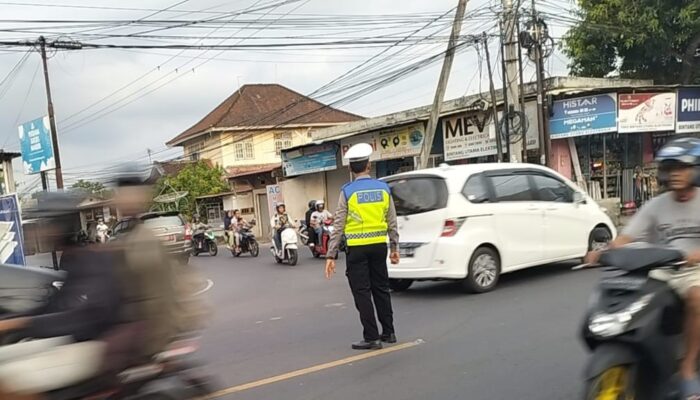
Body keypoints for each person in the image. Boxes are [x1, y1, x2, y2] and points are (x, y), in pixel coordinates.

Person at [586, 137, 700, 400]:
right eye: (671, 169)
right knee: (637, 300)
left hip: (694, 270)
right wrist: (601, 253)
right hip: (663, 267)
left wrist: (695, 255)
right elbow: (627, 237)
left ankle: (687, 369)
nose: (675, 174)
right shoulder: (656, 205)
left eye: (681, 168)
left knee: (696, 297)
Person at [0, 191, 123, 398]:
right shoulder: (74, 257)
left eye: (47, 224)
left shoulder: (90, 261)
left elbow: (80, 318)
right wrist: (11, 322)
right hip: (72, 340)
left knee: (7, 379)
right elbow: (55, 306)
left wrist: (21, 324)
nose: (40, 231)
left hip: (93, 347)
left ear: (61, 226)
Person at [325, 142, 400, 350]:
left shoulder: (347, 192)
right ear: (368, 165)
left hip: (357, 249)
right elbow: (392, 221)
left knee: (362, 292)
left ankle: (372, 337)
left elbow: (338, 224)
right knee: (381, 289)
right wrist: (394, 248)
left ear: (350, 168)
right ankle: (389, 332)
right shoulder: (384, 189)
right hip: (379, 247)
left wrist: (330, 256)